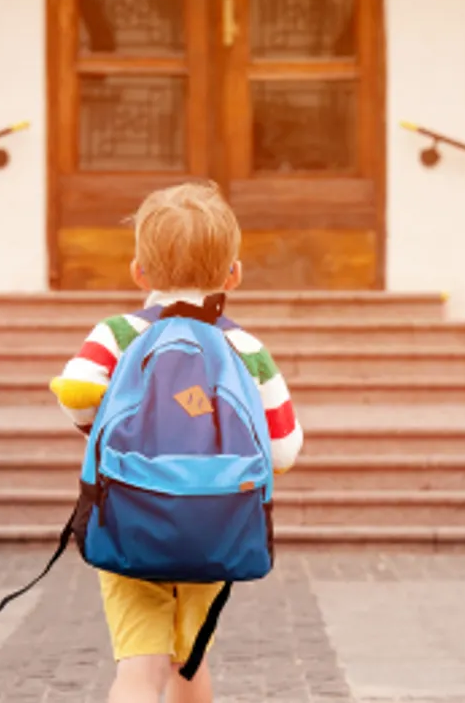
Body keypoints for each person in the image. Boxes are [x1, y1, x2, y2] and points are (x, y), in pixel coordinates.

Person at [50, 181, 304, 703]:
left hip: (128, 515)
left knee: (138, 669)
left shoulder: (117, 334)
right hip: (215, 524)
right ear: (233, 273)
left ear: (138, 272)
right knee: (189, 664)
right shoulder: (246, 348)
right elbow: (282, 451)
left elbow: (77, 395)